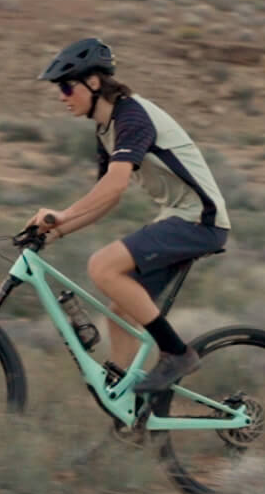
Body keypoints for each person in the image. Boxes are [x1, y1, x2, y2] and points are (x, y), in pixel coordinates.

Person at [27, 37, 231, 394]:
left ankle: (177, 353)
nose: (61, 96)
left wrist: (61, 214)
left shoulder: (131, 115)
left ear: (93, 82)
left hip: (200, 220)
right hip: (178, 216)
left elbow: (117, 184)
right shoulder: (106, 129)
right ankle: (126, 412)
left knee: (102, 266)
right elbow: (104, 201)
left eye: (65, 86)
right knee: (120, 314)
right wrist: (57, 230)